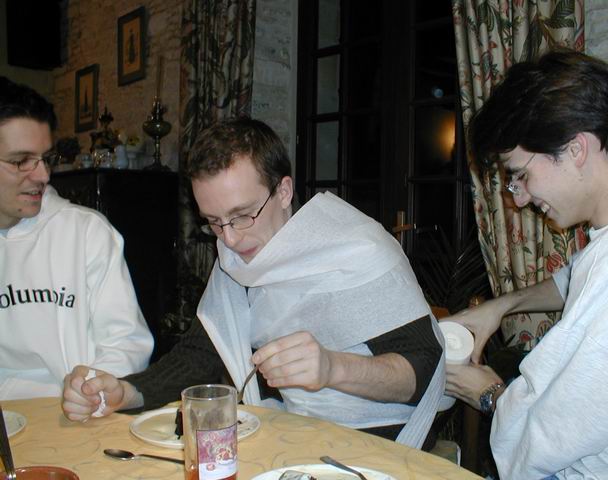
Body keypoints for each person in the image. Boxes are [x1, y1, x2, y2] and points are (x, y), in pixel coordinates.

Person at [62, 117, 445, 449]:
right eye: (214, 221)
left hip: (384, 436)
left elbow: (422, 371)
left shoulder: (358, 249)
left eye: (243, 215)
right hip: (294, 431)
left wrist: (333, 368)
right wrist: (126, 391)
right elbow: (199, 354)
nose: (229, 239)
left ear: (284, 191)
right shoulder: (237, 258)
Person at [444, 50, 608, 479]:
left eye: (520, 175)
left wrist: (488, 392)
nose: (518, 199)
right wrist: (500, 307)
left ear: (575, 149)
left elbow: (555, 431)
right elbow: (570, 281)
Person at [0, 76, 153, 400]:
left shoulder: (86, 233)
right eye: (20, 161)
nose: (43, 175)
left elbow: (127, 344)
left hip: (75, 418)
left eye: (46, 158)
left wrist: (91, 390)